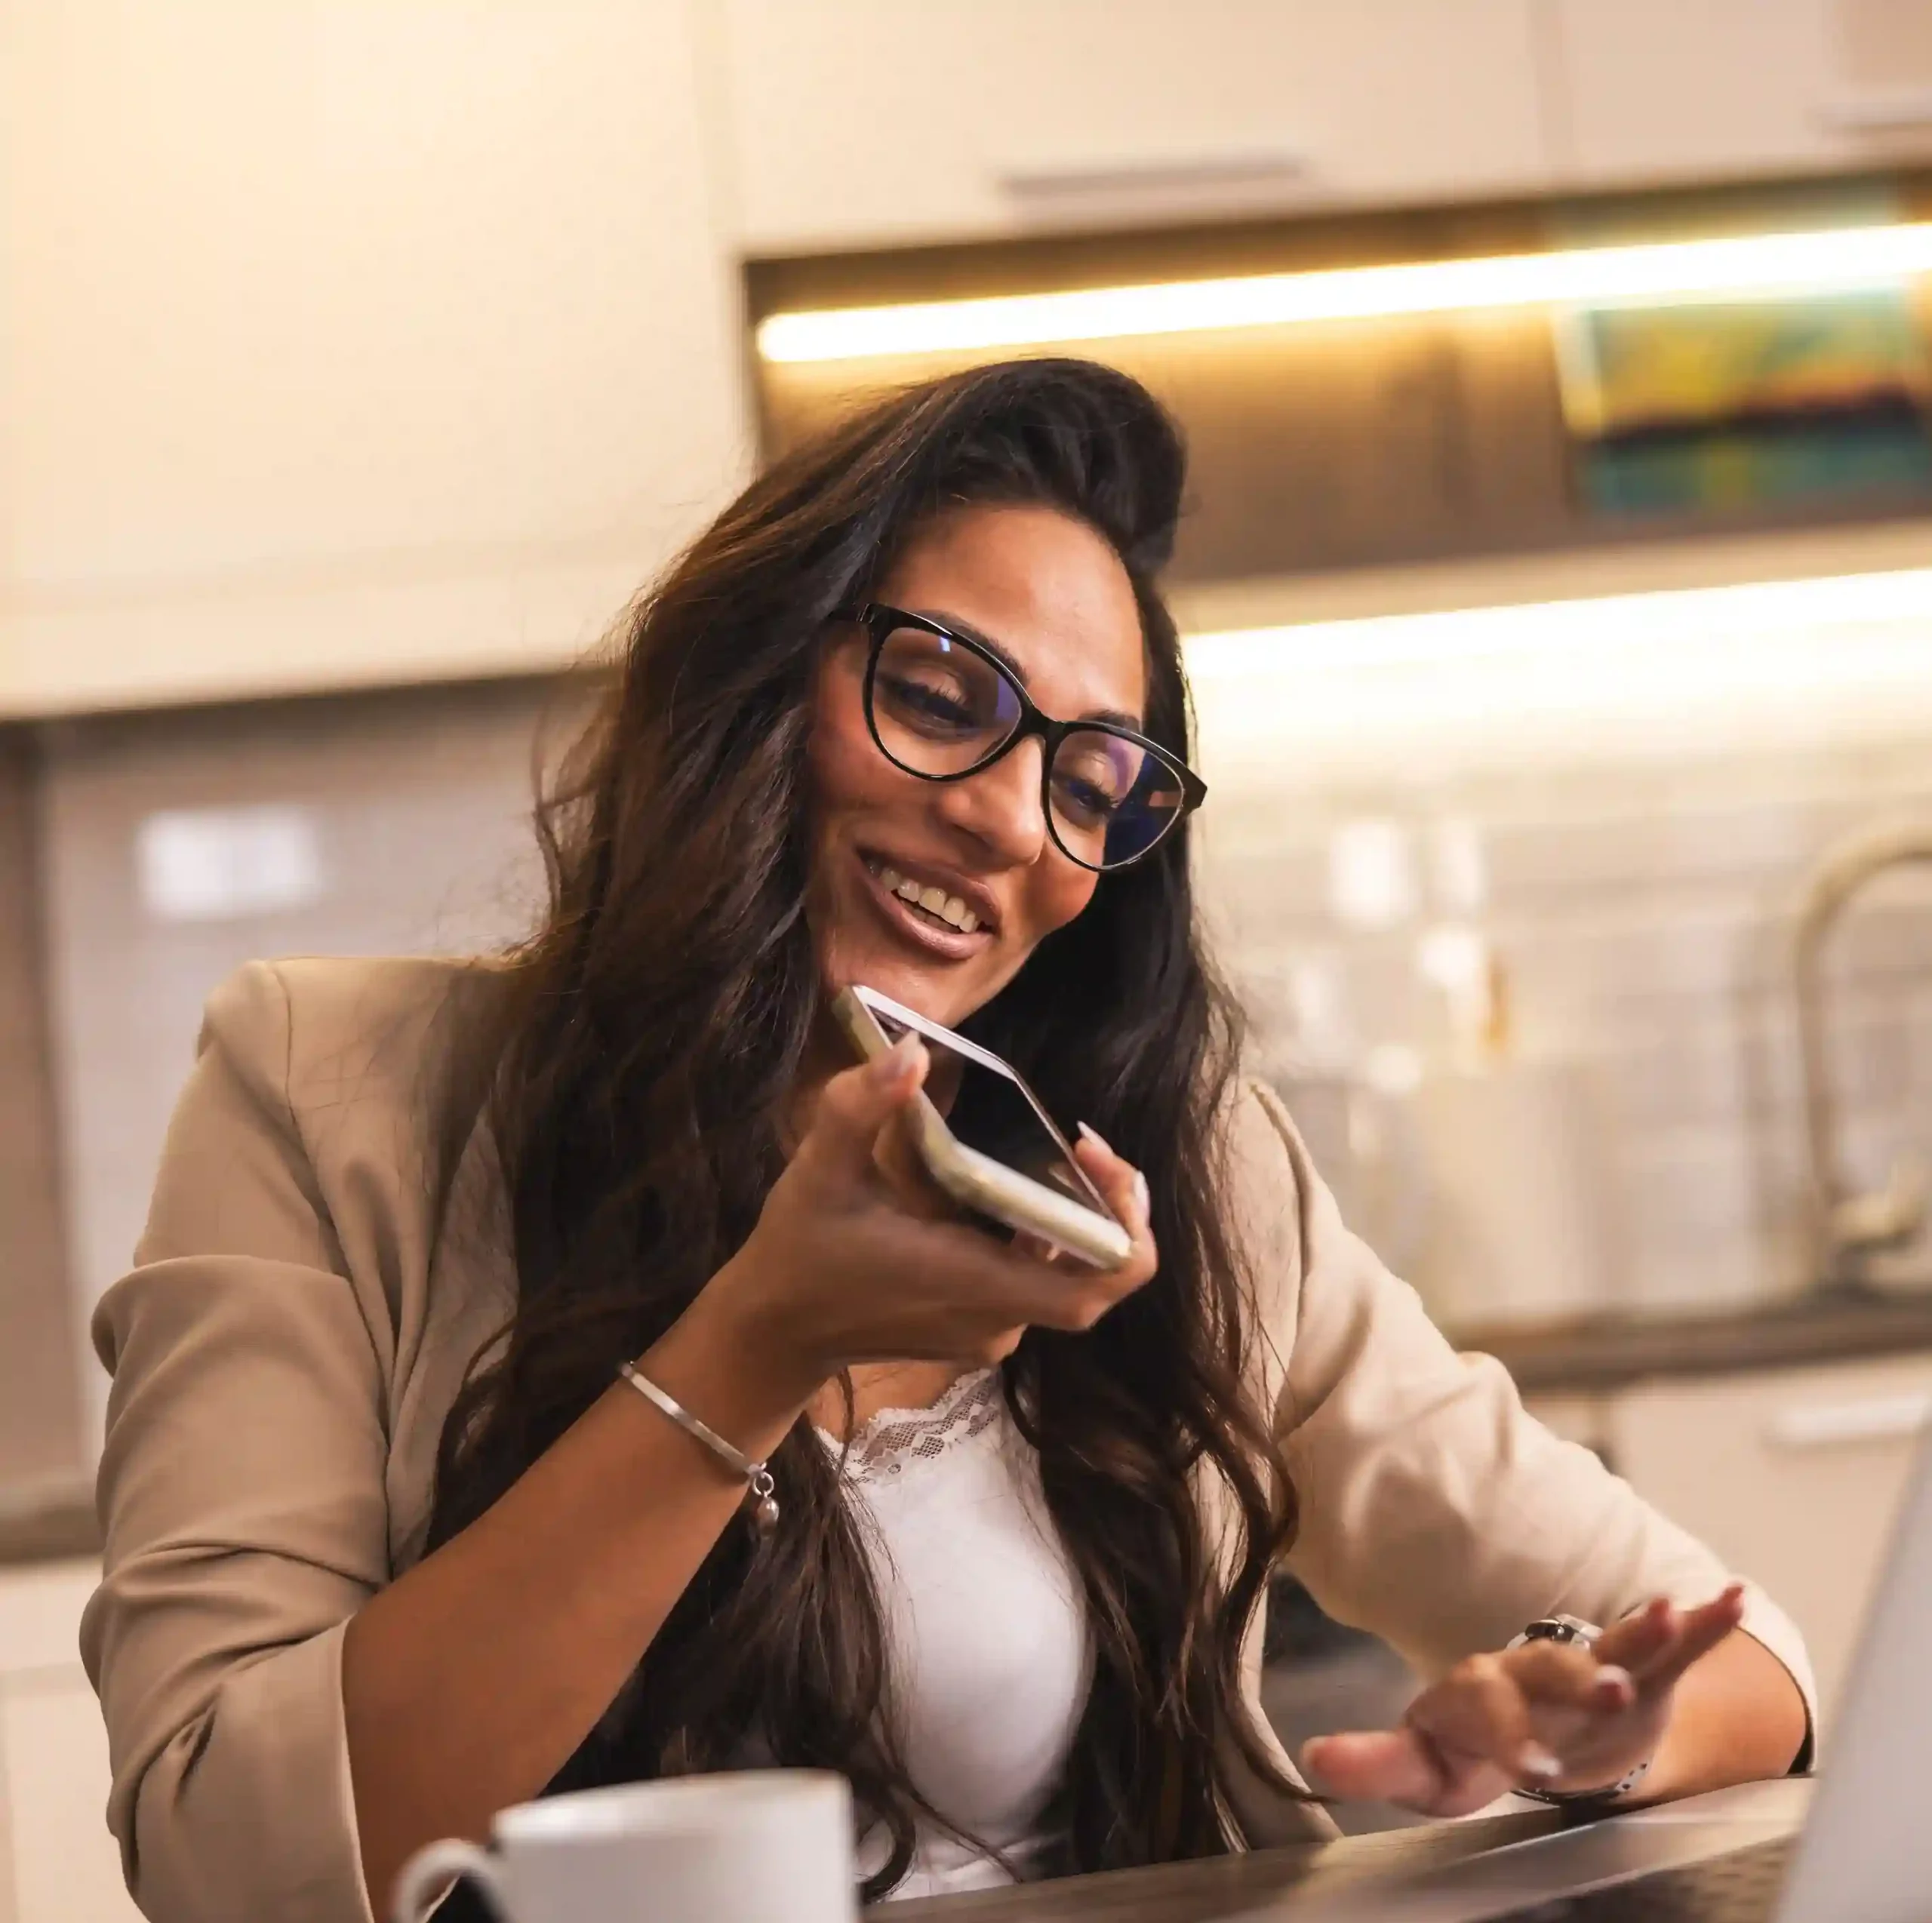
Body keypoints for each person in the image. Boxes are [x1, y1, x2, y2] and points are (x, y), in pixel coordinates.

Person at [84, 360, 1811, 1923]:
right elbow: (231, 1858)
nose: (1002, 814)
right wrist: (751, 1343)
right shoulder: (329, 1090)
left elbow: (1746, 1658)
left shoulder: (1181, 1165)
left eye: (1091, 777)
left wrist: (1581, 1725)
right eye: (936, 687)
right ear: (758, 672)